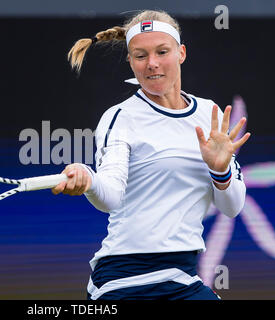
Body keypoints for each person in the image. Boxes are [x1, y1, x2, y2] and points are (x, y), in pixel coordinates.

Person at [52, 9, 251, 300]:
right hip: (123, 280)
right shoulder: (120, 117)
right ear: (130, 61)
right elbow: (111, 197)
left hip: (182, 278)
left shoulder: (210, 113)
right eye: (140, 55)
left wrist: (220, 171)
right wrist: (90, 181)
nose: (152, 64)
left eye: (162, 51)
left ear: (181, 53)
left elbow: (232, 206)